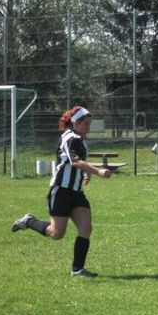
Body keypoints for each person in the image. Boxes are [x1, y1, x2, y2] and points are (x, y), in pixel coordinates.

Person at [11, 106, 111, 277]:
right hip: (61, 191)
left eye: (89, 123)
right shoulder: (70, 138)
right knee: (56, 234)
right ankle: (29, 221)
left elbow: (80, 161)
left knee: (86, 228)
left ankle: (77, 269)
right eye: (86, 123)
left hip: (76, 192)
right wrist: (98, 171)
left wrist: (87, 173)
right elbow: (75, 161)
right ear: (76, 122)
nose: (88, 127)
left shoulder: (80, 138)